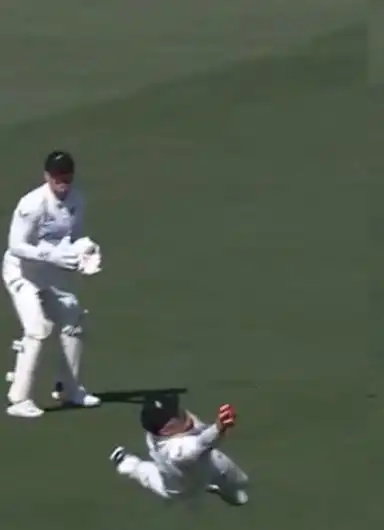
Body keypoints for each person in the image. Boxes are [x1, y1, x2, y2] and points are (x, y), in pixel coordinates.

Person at [3, 150, 102, 418]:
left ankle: (70, 389)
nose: (63, 182)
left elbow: (76, 235)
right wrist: (52, 255)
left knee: (73, 318)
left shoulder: (77, 198)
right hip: (22, 272)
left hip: (51, 272)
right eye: (57, 176)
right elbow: (16, 245)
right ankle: (19, 399)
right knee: (38, 329)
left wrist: (87, 250)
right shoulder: (32, 204)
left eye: (67, 176)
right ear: (47, 176)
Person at [109, 394, 249, 506]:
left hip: (206, 462)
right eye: (174, 414)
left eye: (175, 408)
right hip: (183, 487)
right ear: (165, 430)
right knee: (145, 472)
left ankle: (225, 490)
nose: (180, 412)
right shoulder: (176, 451)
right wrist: (219, 427)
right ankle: (126, 463)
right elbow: (200, 443)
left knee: (240, 480)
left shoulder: (171, 425)